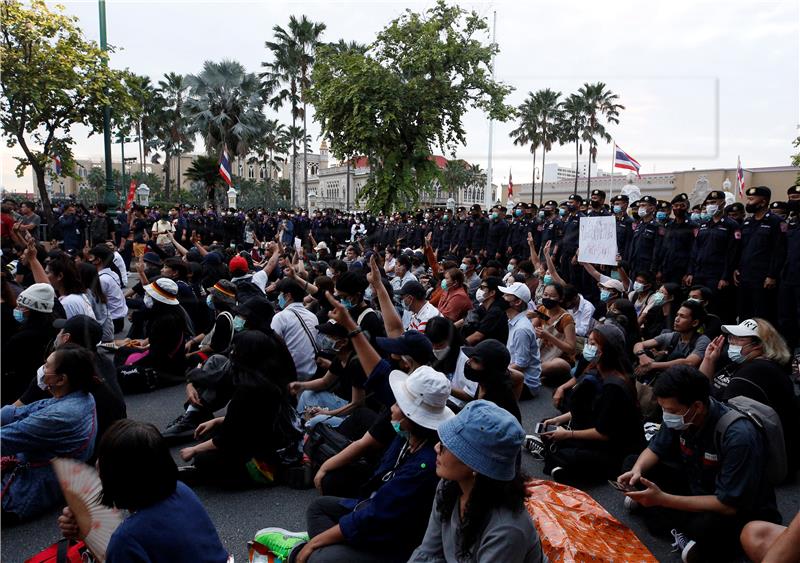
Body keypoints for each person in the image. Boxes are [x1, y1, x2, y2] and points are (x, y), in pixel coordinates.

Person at [256, 364, 453, 563]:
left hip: (393, 542)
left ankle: (303, 550)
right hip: (376, 516)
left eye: (399, 405)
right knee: (319, 508)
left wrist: (316, 544)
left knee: (319, 558)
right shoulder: (408, 437)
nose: (392, 408)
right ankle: (318, 547)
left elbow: (377, 516)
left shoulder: (424, 466)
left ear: (411, 418)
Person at [618, 365, 781, 563]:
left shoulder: (739, 436)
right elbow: (655, 449)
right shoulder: (681, 416)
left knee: (706, 527)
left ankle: (668, 520)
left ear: (697, 406)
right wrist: (637, 471)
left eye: (670, 410)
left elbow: (727, 505)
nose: (666, 415)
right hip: (697, 484)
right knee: (632, 462)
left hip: (734, 507)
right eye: (662, 408)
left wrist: (663, 499)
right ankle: (666, 518)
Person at [57, 419, 229, 562]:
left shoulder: (127, 539)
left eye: (103, 458)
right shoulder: (181, 491)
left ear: (118, 478)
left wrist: (88, 537)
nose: (97, 464)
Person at [409, 400, 546, 563]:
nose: (437, 447)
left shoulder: (507, 531)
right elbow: (429, 551)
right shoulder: (449, 486)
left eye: (447, 445)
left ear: (474, 463)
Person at [179, 331, 301, 488]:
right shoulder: (274, 379)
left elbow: (227, 439)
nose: (232, 353)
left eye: (235, 349)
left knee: (203, 459)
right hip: (274, 447)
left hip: (263, 464)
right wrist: (216, 421)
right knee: (210, 434)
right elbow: (251, 420)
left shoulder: (248, 390)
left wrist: (194, 450)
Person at [535, 324, 643, 484]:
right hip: (597, 427)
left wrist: (568, 434)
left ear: (606, 349)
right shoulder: (598, 369)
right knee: (547, 426)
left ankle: (555, 456)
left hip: (614, 444)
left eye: (593, 344)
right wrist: (560, 420)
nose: (588, 347)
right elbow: (592, 409)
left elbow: (604, 433)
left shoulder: (615, 385)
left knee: (567, 454)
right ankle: (554, 454)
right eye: (588, 342)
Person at [1, 345, 97, 522]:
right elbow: (17, 413)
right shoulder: (80, 396)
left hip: (20, 494)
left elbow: (5, 439)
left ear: (61, 379)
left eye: (46, 365)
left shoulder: (60, 416)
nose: (42, 369)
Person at [699, 318, 799, 475]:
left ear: (758, 344)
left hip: (762, 461)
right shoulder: (740, 364)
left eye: (739, 339)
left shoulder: (758, 370)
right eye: (731, 337)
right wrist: (708, 360)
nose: (731, 342)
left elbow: (708, 407)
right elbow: (702, 388)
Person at [291, 320, 368, 429]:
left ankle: (306, 435)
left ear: (343, 342)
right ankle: (298, 426)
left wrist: (327, 413)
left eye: (328, 336)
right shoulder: (340, 357)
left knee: (317, 421)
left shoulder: (356, 363)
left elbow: (357, 404)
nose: (323, 338)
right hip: (342, 403)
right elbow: (325, 382)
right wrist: (301, 385)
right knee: (307, 394)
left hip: (354, 413)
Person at [117, 278, 189, 392]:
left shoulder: (166, 321)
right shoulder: (169, 312)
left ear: (158, 299)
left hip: (166, 368)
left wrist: (132, 364)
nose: (147, 297)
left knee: (119, 374)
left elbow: (157, 356)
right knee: (122, 351)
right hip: (164, 359)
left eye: (150, 295)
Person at [2, 282, 58, 404]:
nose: (17, 309)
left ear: (30, 310)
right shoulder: (55, 325)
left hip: (20, 392)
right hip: (46, 388)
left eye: (20, 306)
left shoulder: (21, 338)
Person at [271, 278, 319, 381]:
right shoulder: (313, 316)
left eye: (280, 294)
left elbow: (272, 347)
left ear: (288, 296)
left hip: (292, 377)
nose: (278, 298)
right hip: (313, 373)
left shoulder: (280, 317)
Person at [499, 282, 542, 396]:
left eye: (507, 296)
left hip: (525, 384)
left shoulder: (521, 329)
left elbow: (521, 364)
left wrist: (496, 374)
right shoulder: (514, 322)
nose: (502, 298)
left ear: (517, 302)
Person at [532, 282, 576, 386]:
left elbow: (571, 348)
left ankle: (532, 375)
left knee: (555, 365)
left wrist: (548, 336)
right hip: (542, 353)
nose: (547, 298)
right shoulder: (542, 309)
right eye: (545, 295)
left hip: (560, 358)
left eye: (552, 296)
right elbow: (532, 329)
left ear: (560, 299)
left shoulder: (566, 318)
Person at [87, 245, 127, 334]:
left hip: (112, 323)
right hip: (119, 320)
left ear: (98, 260)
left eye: (91, 257)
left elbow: (91, 302)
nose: (89, 260)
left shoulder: (102, 279)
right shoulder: (112, 274)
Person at [461, 276, 509, 345]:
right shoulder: (483, 306)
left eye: (482, 288)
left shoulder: (496, 311)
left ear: (492, 292)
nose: (479, 290)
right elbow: (465, 319)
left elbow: (477, 336)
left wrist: (458, 346)